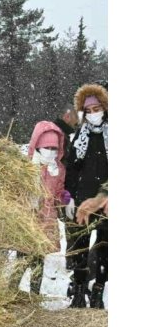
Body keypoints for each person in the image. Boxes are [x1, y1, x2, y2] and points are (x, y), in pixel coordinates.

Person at [61, 83, 108, 309]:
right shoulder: (80, 135)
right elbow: (72, 168)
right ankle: (78, 291)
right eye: (88, 111)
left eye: (96, 109)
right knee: (79, 247)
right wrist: (68, 195)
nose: (93, 114)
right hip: (81, 202)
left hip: (106, 201)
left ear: (105, 107)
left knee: (104, 248)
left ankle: (98, 290)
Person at [9, 121, 67, 294]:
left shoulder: (57, 169)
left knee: (39, 260)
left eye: (54, 148)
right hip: (27, 220)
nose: (51, 152)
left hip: (45, 222)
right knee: (23, 257)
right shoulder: (26, 167)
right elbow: (14, 190)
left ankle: (34, 295)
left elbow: (59, 191)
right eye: (47, 147)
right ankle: (10, 292)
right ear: (38, 147)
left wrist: (67, 199)